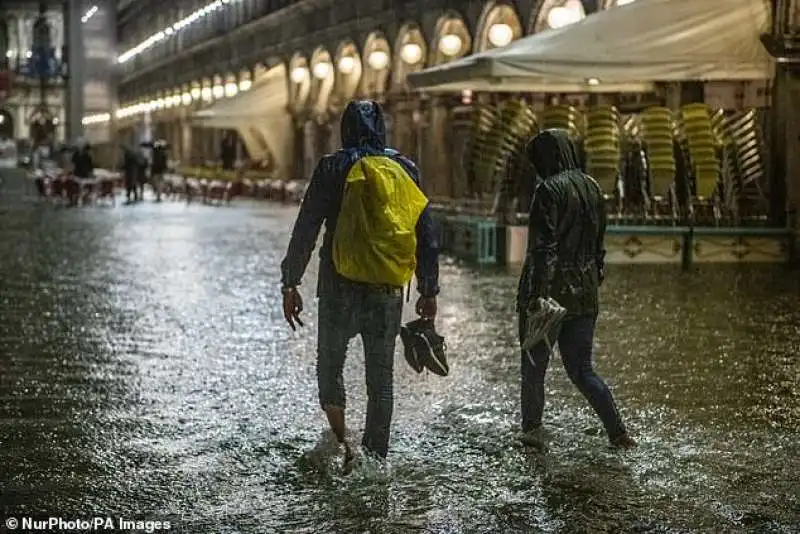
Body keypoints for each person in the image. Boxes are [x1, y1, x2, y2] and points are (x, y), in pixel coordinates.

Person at [280, 100, 440, 467]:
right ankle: (374, 459)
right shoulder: (406, 168)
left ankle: (345, 444)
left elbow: (306, 228)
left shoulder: (332, 167)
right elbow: (426, 234)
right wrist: (429, 290)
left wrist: (291, 282)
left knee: (330, 367)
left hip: (338, 284)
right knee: (380, 378)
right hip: (386, 290)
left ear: (344, 129)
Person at [517, 129, 635, 450]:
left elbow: (544, 251)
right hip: (585, 294)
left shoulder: (547, 192)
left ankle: (532, 436)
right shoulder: (594, 188)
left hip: (550, 297)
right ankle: (619, 433)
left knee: (534, 368)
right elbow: (599, 246)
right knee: (583, 370)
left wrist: (535, 297)